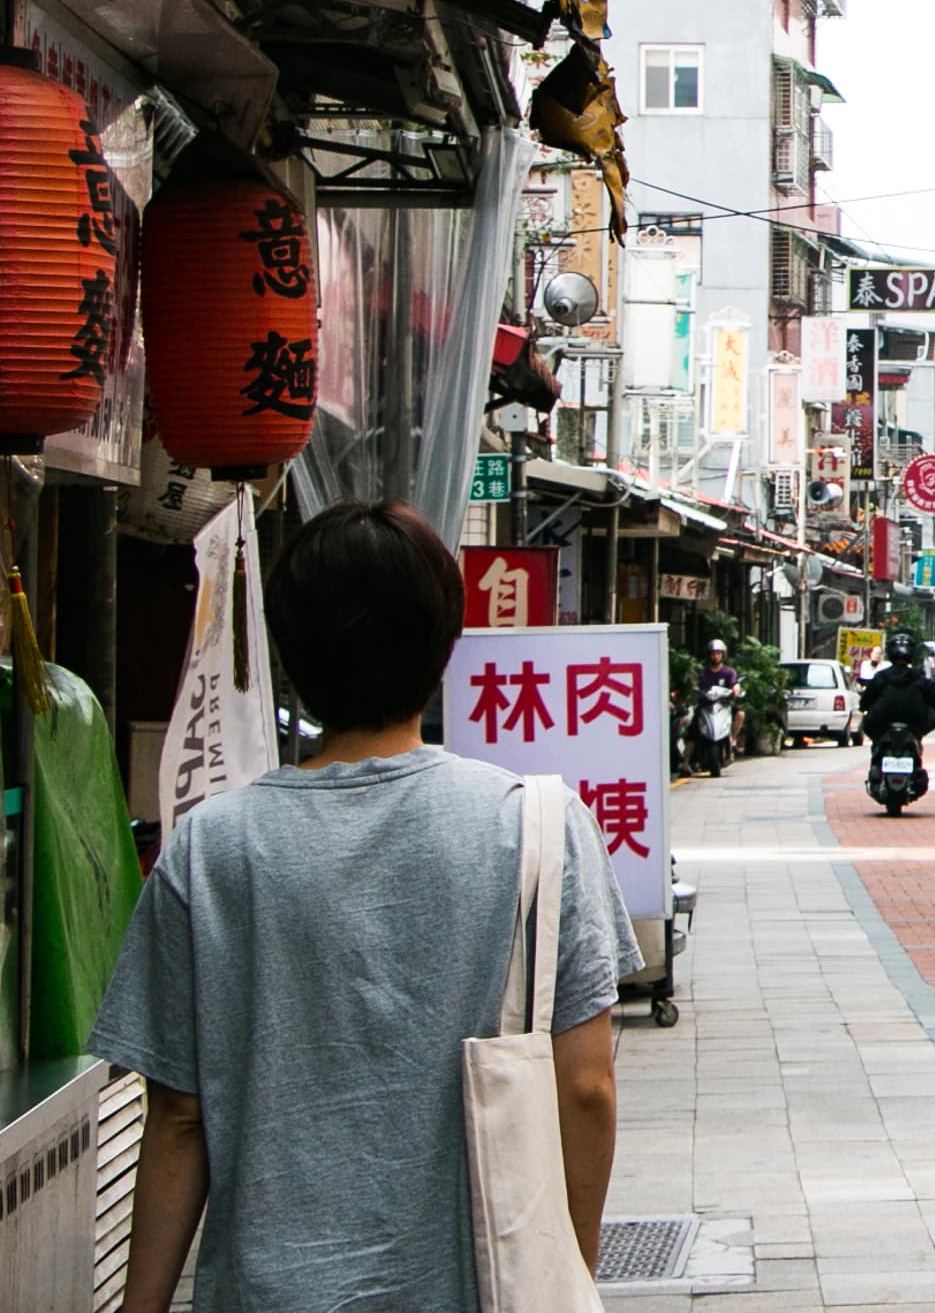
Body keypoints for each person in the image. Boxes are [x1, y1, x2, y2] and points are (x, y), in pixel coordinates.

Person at [93, 500, 645, 1313]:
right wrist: (570, 1273)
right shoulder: (535, 826)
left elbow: (178, 1116)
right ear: (443, 643)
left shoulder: (211, 847)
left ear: (291, 654)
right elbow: (586, 1088)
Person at [858, 634, 935, 742]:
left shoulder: (881, 676)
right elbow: (933, 703)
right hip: (898, 727)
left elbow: (865, 701)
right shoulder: (918, 677)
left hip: (897, 726)